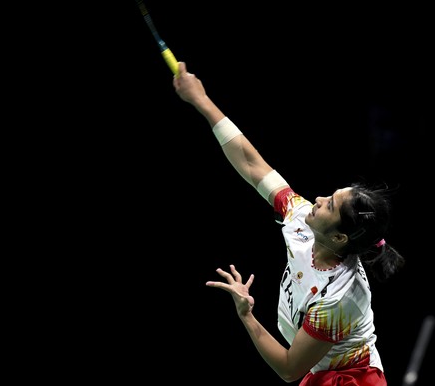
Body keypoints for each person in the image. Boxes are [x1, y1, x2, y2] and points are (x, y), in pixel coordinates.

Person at [172, 61, 406, 385]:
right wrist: (201, 100)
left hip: (349, 378)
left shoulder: (338, 298)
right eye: (331, 194)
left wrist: (245, 315)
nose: (319, 199)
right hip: (320, 364)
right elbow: (253, 165)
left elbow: (288, 368)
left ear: (339, 237)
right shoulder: (302, 218)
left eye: (330, 205)